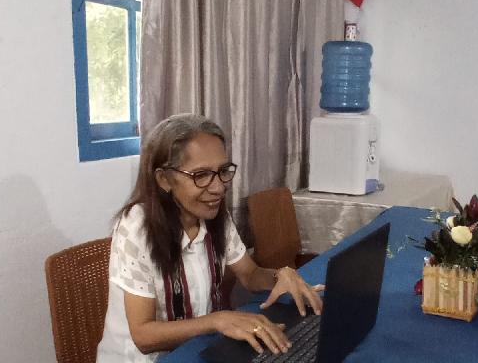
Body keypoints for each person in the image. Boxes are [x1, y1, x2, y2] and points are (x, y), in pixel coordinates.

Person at [97, 114, 323, 362]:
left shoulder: (214, 215)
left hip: (197, 347)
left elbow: (249, 274)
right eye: (201, 175)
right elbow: (143, 336)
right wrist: (217, 321)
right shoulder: (137, 228)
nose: (218, 187)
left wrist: (280, 275)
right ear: (164, 179)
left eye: (223, 171)